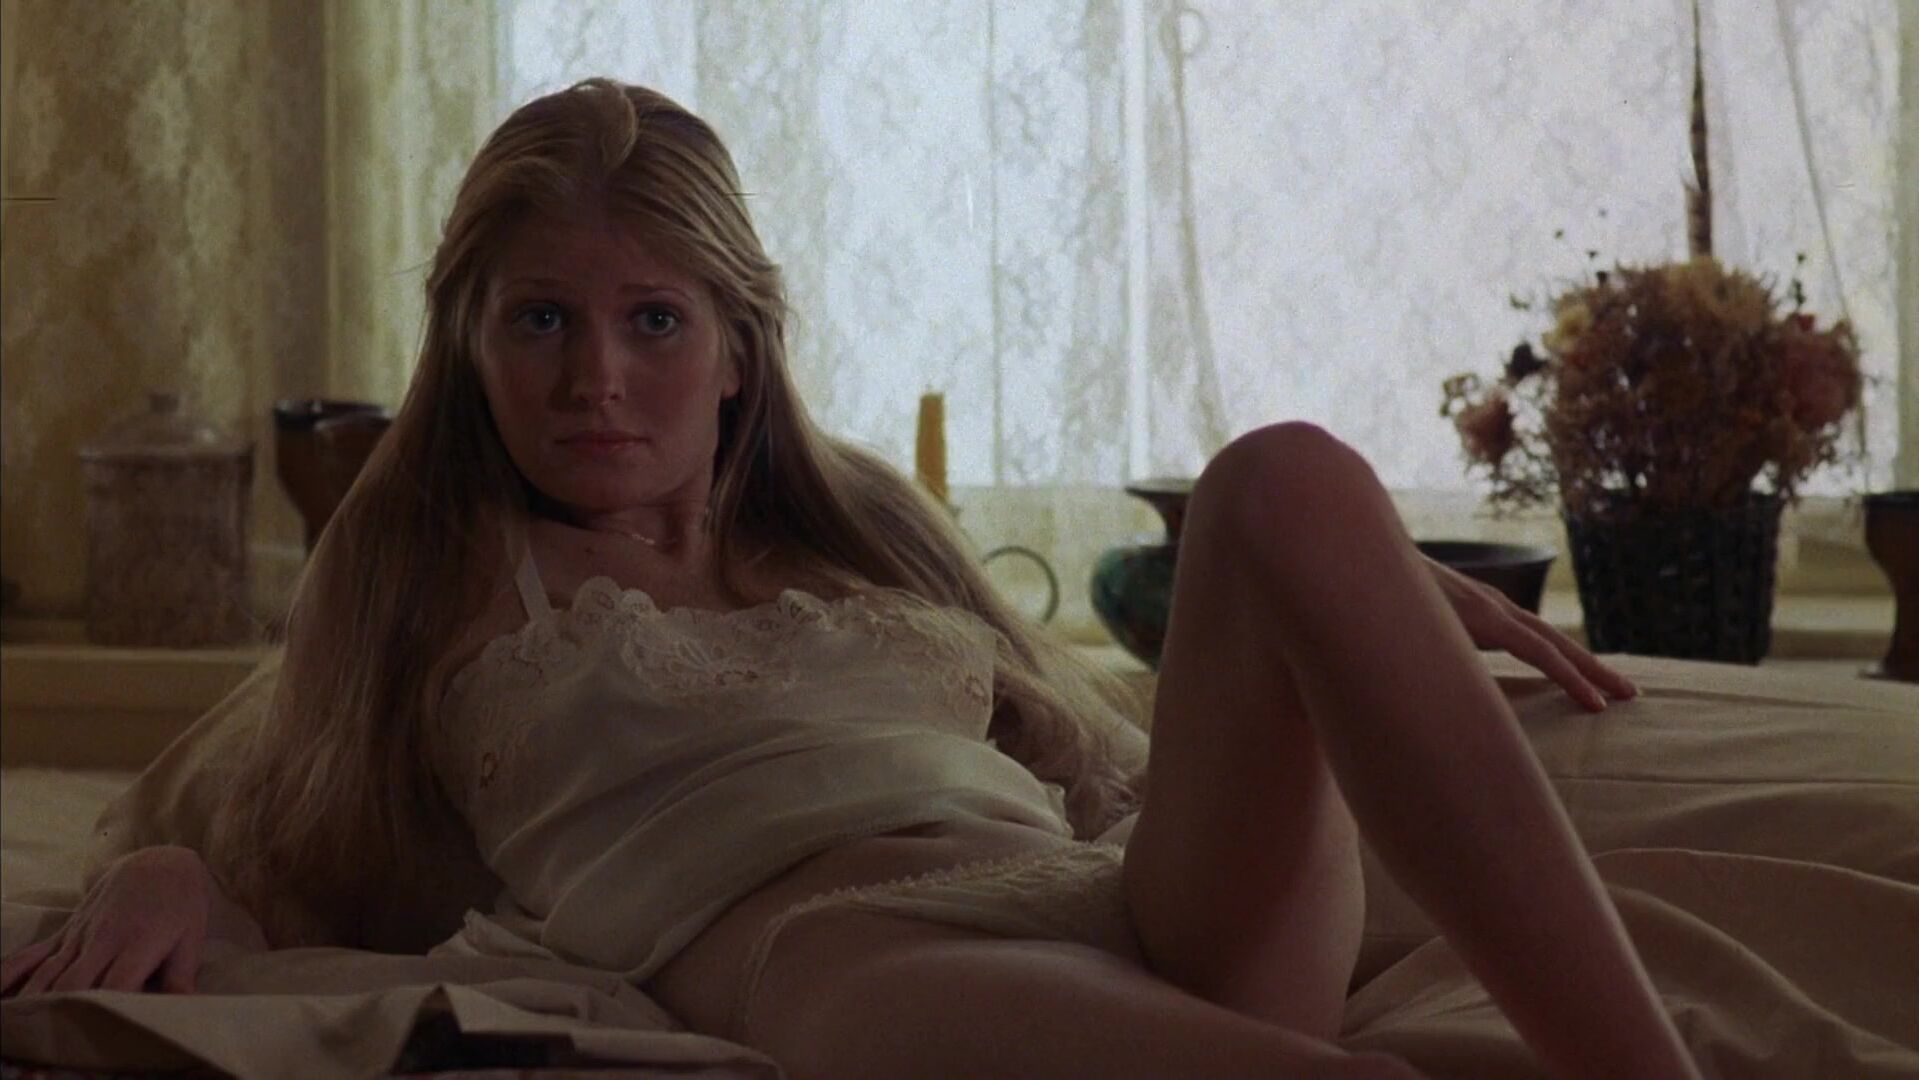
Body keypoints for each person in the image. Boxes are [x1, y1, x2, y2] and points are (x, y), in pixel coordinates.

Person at [1, 79, 1701, 1079]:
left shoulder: (859, 523)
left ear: (740, 348)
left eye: (653, 320)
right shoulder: (427, 560)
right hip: (845, 959)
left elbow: (1095, 736)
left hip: (1116, 896)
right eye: (542, 321)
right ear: (471, 342)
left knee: (1286, 477)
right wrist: (163, 866)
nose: (597, 378)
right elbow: (281, 822)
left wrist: (1345, 613)